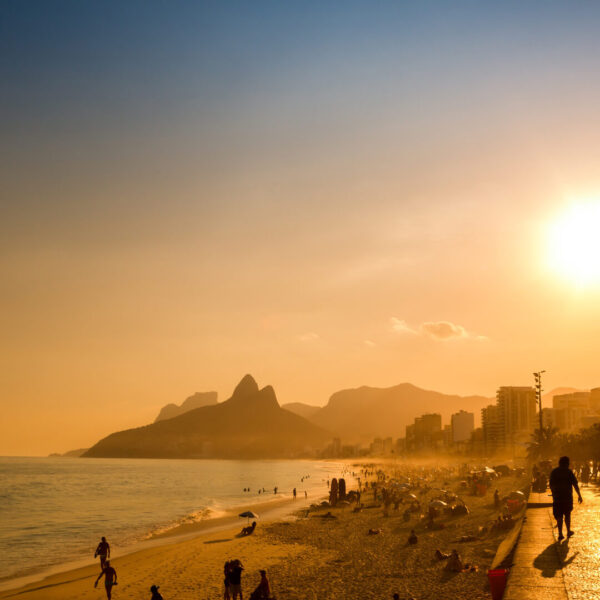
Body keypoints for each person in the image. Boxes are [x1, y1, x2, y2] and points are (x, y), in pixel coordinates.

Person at [549, 455, 583, 541]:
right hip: (567, 498)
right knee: (567, 514)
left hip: (557, 498)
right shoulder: (569, 472)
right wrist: (579, 495)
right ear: (567, 463)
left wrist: (554, 493)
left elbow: (551, 485)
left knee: (559, 515)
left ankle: (560, 534)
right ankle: (568, 531)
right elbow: (575, 485)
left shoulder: (554, 472)